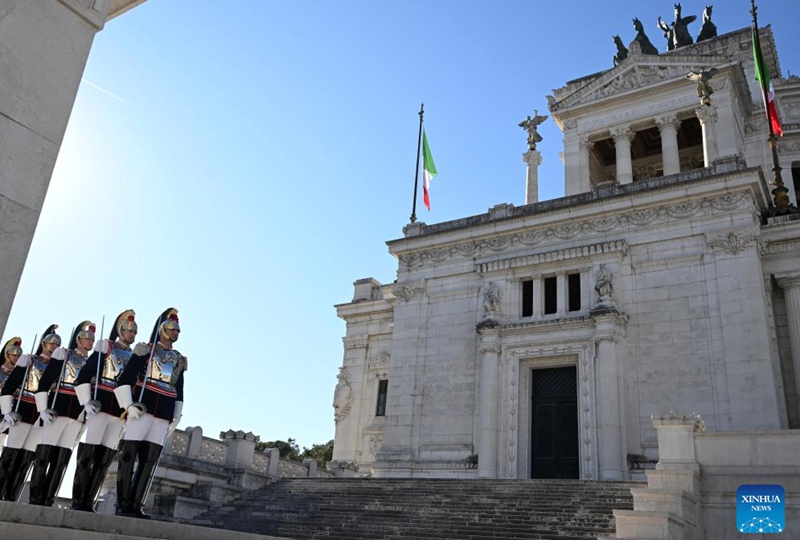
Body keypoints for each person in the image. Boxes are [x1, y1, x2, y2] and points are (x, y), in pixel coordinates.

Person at [113, 308, 185, 518]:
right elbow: (124, 379)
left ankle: (136, 504)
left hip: (164, 411)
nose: (176, 333)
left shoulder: (179, 358)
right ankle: (122, 503)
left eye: (178, 330)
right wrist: (128, 405)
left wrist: (177, 414)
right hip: (142, 407)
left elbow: (179, 388)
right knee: (129, 456)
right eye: (173, 328)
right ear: (163, 329)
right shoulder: (146, 350)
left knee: (149, 460)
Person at [71, 309, 138, 512]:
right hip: (100, 405)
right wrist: (86, 401)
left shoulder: (135, 355)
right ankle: (77, 500)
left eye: (135, 332)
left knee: (105, 458)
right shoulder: (107, 347)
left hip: (119, 411)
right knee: (87, 455)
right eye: (130, 330)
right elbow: (84, 375)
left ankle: (88, 501)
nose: (133, 335)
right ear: (120, 330)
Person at [29, 321, 95, 506]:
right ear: (78, 339)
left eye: (92, 339)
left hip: (78, 414)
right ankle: (35, 498)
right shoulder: (64, 355)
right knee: (44, 456)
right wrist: (42, 409)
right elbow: (45, 382)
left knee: (61, 460)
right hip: (58, 409)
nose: (90, 341)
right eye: (87, 338)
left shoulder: (94, 362)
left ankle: (49, 498)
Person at [0, 325, 61, 502]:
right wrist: (7, 412)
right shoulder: (30, 361)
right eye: (51, 343)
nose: (54, 346)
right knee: (10, 455)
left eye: (57, 344)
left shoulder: (58, 366)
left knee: (26, 459)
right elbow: (10, 387)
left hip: (41, 415)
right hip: (23, 409)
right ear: (43, 343)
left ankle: (12, 497)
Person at [0, 336, 23, 494]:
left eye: (18, 355)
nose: (16, 358)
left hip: (7, 415)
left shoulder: (18, 374)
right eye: (14, 354)